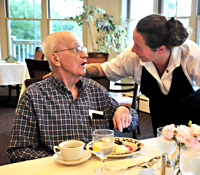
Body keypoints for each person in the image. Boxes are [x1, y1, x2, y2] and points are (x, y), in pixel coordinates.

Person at [45, 14, 200, 145]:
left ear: (159, 49)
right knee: (164, 156)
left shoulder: (191, 55)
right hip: (160, 116)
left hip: (193, 115)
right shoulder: (133, 57)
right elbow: (104, 69)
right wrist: (72, 72)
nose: (133, 49)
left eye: (138, 46)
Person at [7, 31, 138, 162]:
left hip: (96, 167)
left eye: (83, 49)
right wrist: (61, 159)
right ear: (55, 59)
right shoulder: (33, 96)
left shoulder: (95, 90)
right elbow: (18, 151)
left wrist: (124, 111)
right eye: (76, 49)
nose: (85, 55)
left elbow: (132, 123)